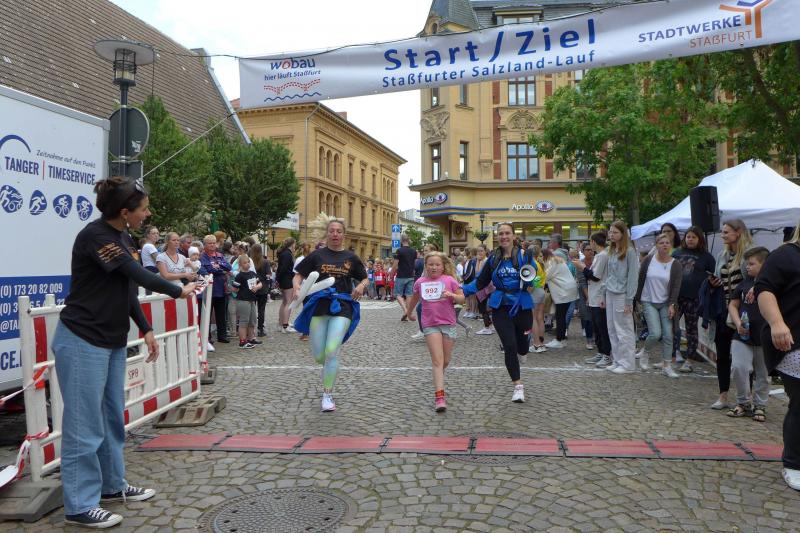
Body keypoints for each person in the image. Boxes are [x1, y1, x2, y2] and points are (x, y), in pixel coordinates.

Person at [51, 176, 195, 528]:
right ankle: (79, 505)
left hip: (111, 340)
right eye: (143, 209)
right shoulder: (96, 236)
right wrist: (178, 290)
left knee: (112, 419)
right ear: (124, 211)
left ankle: (112, 486)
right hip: (82, 339)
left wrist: (145, 328)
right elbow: (138, 274)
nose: (147, 214)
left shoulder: (123, 237)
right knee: (84, 425)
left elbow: (127, 287)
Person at [293, 218, 368, 411]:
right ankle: (326, 370)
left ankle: (327, 395)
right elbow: (298, 275)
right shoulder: (317, 255)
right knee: (320, 356)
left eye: (339, 231)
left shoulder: (351, 257)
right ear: (327, 234)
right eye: (332, 231)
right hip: (319, 306)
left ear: (344, 235)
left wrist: (361, 285)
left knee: (332, 350)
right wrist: (297, 288)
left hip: (342, 305)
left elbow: (365, 278)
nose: (335, 234)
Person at [465, 222, 533, 403]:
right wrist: (460, 291)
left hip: (522, 306)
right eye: (500, 233)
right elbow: (480, 282)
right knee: (509, 345)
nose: (504, 236)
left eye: (507, 233)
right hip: (500, 306)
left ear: (513, 235)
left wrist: (531, 284)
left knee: (522, 347)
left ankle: (523, 352)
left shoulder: (525, 255)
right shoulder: (493, 259)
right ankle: (518, 386)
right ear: (497, 237)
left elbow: (537, 277)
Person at [755, 227, 800, 491]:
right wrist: (777, 323)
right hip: (792, 340)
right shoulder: (786, 255)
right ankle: (793, 463)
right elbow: (764, 289)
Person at [404, 251, 464, 412]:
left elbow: (462, 298)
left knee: (446, 360)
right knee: (437, 361)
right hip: (430, 325)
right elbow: (415, 299)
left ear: (443, 266)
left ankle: (438, 377)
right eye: (430, 264)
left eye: (437, 264)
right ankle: (440, 397)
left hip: (449, 324)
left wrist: (452, 295)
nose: (434, 267)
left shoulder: (450, 280)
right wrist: (408, 312)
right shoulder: (420, 282)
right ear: (426, 266)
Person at [709, 219, 753, 409]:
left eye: (726, 232)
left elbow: (756, 279)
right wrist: (713, 283)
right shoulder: (722, 254)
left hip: (744, 313)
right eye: (722, 232)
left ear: (738, 232)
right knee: (722, 355)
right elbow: (718, 277)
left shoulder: (750, 254)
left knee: (744, 358)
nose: (723, 235)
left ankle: (746, 398)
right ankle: (723, 396)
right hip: (723, 311)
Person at [726, 247, 770, 419]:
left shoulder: (774, 284)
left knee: (763, 373)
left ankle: (760, 405)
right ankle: (743, 402)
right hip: (742, 335)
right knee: (739, 367)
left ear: (764, 264)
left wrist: (759, 286)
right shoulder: (744, 284)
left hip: (764, 335)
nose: (747, 267)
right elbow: (733, 305)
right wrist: (738, 323)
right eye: (747, 263)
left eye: (752, 264)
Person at [635, 233, 683, 377]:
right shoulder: (648, 260)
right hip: (648, 300)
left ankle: (667, 366)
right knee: (655, 333)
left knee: (668, 334)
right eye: (661, 243)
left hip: (666, 303)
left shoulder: (675, 264)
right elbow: (640, 278)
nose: (664, 245)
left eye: (667, 243)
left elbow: (676, 286)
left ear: (671, 245)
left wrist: (672, 304)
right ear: (656, 245)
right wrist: (637, 299)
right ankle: (645, 353)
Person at [671, 227, 716, 373]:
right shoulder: (677, 253)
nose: (690, 239)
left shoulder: (707, 257)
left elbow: (713, 277)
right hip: (676, 296)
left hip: (694, 298)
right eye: (688, 237)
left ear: (699, 239)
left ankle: (689, 360)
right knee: (671, 327)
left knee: (691, 329)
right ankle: (671, 356)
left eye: (693, 237)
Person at [603, 220, 640, 374]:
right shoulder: (611, 250)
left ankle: (628, 364)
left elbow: (633, 277)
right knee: (612, 328)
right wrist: (603, 293)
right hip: (610, 293)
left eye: (615, 232)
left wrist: (629, 300)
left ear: (623, 234)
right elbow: (609, 275)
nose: (611, 235)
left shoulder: (630, 252)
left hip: (622, 295)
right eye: (610, 232)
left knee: (624, 330)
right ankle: (617, 360)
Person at [583, 232, 612, 367]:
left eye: (590, 241)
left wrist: (582, 268)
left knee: (602, 328)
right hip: (595, 296)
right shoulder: (599, 255)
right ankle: (601, 352)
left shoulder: (602, 256)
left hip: (600, 297)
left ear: (594, 242)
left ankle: (607, 354)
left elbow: (595, 277)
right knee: (597, 327)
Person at [542, 249, 578, 349]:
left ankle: (559, 340)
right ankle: (562, 339)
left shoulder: (551, 262)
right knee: (561, 315)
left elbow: (545, 277)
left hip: (563, 292)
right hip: (568, 290)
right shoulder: (557, 260)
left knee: (560, 316)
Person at [200, 234, 232, 343]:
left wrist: (217, 267)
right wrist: (219, 269)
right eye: (210, 243)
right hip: (208, 290)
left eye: (214, 243)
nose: (212, 245)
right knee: (207, 315)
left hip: (220, 289)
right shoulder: (202, 256)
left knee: (221, 314)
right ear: (205, 245)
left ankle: (222, 336)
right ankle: (207, 337)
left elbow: (228, 267)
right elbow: (205, 270)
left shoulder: (219, 255)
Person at [232, 254, 262, 349]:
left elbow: (260, 283)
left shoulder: (252, 273)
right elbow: (235, 289)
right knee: (244, 321)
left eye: (248, 262)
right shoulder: (239, 276)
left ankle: (251, 338)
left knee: (252, 320)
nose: (248, 264)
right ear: (240, 265)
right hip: (243, 300)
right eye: (245, 263)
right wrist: (234, 288)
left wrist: (256, 287)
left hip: (252, 300)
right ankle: (242, 341)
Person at [275, 237, 297, 333]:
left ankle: (281, 324)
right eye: (294, 244)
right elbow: (284, 268)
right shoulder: (287, 254)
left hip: (284, 280)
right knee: (288, 302)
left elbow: (280, 269)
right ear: (292, 244)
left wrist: (278, 279)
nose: (295, 246)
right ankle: (285, 326)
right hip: (287, 280)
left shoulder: (283, 253)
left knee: (284, 302)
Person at [529, 245, 548, 352]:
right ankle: (541, 343)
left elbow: (533, 281)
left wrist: (529, 291)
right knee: (540, 318)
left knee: (533, 319)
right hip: (541, 291)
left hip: (535, 291)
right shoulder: (540, 263)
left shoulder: (533, 264)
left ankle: (536, 344)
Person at [250, 244, 271, 338]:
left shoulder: (250, 261)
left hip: (252, 287)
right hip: (263, 288)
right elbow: (268, 275)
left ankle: (251, 328)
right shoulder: (265, 262)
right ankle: (260, 329)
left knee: (251, 309)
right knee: (261, 309)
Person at [393, 234, 417, 319]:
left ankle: (405, 310)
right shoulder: (413, 251)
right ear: (408, 240)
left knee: (397, 294)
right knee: (409, 294)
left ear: (401, 241)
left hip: (401, 275)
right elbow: (414, 263)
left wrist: (391, 273)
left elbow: (395, 265)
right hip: (410, 275)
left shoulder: (399, 251)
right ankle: (409, 312)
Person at [474, 244, 494, 335]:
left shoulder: (486, 261)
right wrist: (478, 261)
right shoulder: (479, 260)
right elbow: (476, 273)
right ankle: (490, 325)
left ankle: (487, 327)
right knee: (483, 307)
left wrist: (478, 261)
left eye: (481, 251)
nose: (479, 253)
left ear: (485, 251)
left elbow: (479, 273)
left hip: (485, 287)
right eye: (478, 251)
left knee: (483, 307)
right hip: (481, 287)